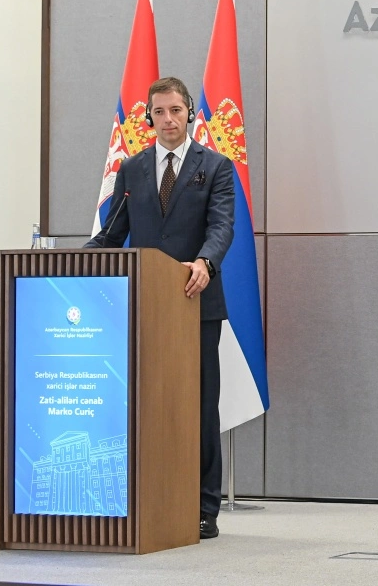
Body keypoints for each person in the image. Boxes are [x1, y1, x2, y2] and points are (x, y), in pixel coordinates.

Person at [86, 76, 234, 539]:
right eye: (158, 112)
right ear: (148, 117)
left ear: (190, 112)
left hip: (195, 303)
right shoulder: (131, 169)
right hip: (145, 307)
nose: (167, 120)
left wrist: (206, 262)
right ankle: (152, 497)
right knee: (148, 405)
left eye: (175, 110)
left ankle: (205, 506)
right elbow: (113, 232)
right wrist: (63, 259)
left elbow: (222, 226)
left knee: (199, 407)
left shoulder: (216, 167)